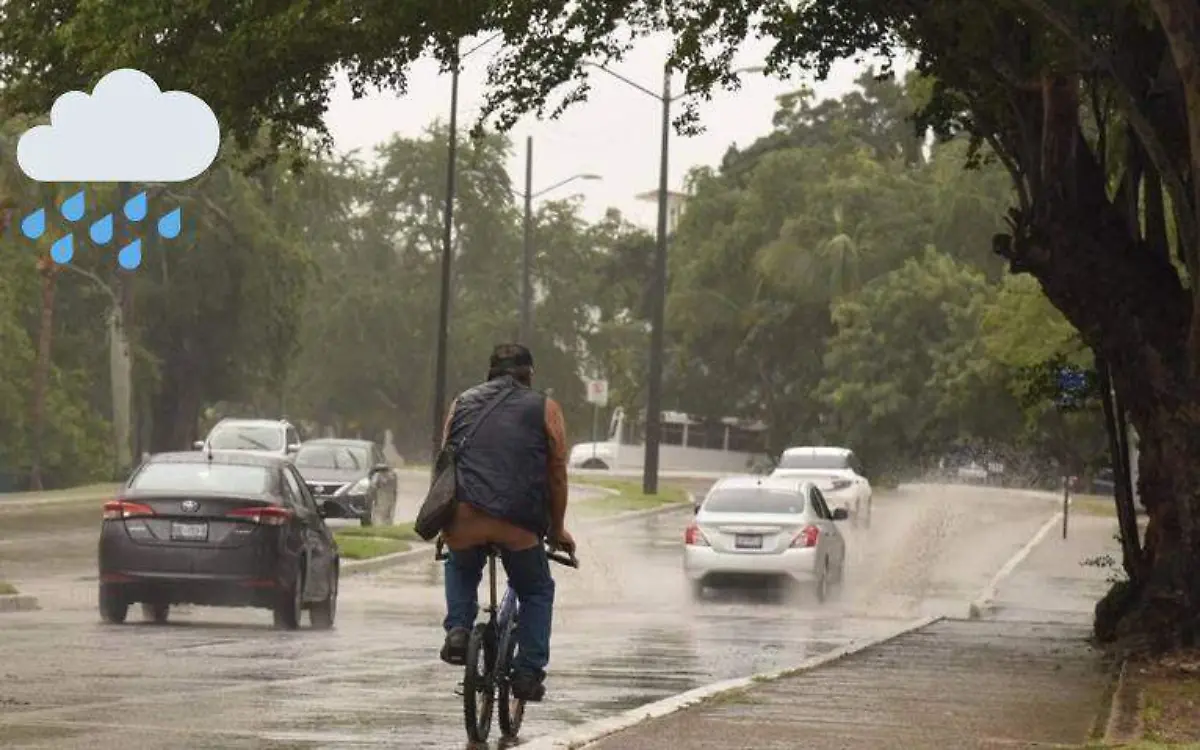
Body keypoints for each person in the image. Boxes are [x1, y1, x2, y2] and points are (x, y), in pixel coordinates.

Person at [437, 343, 575, 702]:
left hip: (464, 513)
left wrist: (444, 522)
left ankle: (458, 631)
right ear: (529, 375)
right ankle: (528, 672)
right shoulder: (546, 408)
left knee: (461, 563)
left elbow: (446, 462)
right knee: (536, 589)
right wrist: (557, 529)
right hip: (517, 521)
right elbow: (557, 474)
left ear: (490, 373)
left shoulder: (461, 403)